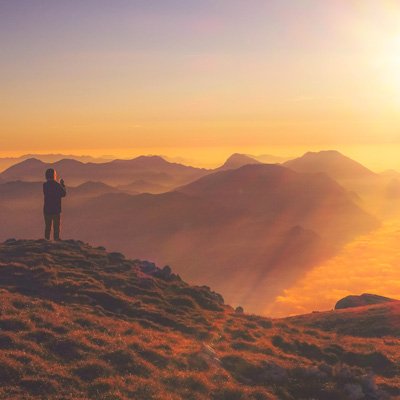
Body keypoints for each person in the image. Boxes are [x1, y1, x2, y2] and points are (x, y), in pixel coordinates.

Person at [43, 168, 66, 241]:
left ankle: (46, 240)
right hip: (56, 210)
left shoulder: (45, 185)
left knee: (48, 227)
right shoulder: (57, 185)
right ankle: (56, 241)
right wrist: (62, 185)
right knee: (56, 227)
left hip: (47, 210)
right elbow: (63, 194)